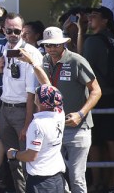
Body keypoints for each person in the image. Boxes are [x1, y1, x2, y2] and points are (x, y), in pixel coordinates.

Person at [37, 27, 101, 193]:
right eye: (48, 46)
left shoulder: (76, 60)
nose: (51, 49)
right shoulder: (44, 60)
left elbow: (96, 90)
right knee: (56, 174)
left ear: (64, 44)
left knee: (76, 176)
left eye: (56, 45)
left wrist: (81, 114)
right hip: (54, 127)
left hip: (78, 128)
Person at [0, 14, 43, 193]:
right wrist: (0, 69)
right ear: (3, 30)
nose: (13, 34)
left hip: (23, 111)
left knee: (26, 161)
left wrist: (27, 123)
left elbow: (32, 93)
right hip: (5, 109)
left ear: (22, 31)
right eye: (9, 31)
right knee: (12, 160)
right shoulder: (5, 48)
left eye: (17, 31)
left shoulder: (31, 52)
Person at [82, 5, 114, 193]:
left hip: (98, 96)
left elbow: (82, 67)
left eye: (95, 15)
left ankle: (99, 181)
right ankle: (113, 182)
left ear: (105, 20)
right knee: (111, 139)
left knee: (98, 141)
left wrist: (80, 33)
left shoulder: (93, 42)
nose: (90, 17)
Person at [5, 85, 65, 193]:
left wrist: (14, 154)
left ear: (40, 101)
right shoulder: (60, 115)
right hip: (58, 179)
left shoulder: (37, 124)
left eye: (36, 95)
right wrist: (37, 68)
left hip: (41, 182)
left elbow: (31, 156)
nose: (34, 97)